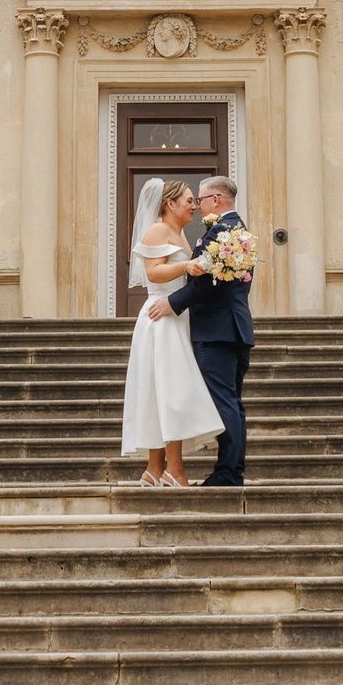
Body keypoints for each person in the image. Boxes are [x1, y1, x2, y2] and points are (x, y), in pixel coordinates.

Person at [150, 175, 253, 486]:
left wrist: (173, 302)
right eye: (192, 200)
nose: (197, 205)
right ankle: (230, 470)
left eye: (202, 199)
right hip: (234, 327)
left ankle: (228, 473)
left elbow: (208, 282)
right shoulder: (239, 231)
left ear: (217, 200)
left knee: (225, 401)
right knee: (232, 401)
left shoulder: (222, 232)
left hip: (217, 331)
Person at [119, 179, 221, 485]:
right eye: (189, 201)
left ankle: (154, 469)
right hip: (159, 319)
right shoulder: (158, 230)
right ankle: (173, 470)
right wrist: (187, 268)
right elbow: (153, 272)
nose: (194, 206)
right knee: (170, 391)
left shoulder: (181, 234)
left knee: (166, 391)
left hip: (177, 317)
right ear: (170, 204)